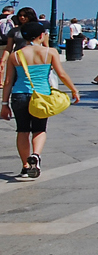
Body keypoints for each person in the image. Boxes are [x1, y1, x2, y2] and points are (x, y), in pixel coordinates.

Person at [2, 21, 80, 179]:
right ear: (41, 35)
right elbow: (62, 74)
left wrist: (4, 104)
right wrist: (73, 89)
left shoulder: (15, 55)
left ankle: (25, 166)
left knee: (22, 131)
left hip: (19, 95)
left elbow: (8, 81)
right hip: (41, 96)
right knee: (39, 129)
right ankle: (35, 156)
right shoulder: (49, 52)